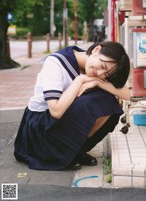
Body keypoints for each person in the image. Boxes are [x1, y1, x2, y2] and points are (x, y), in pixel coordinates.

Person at [14, 41, 131, 170]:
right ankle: (59, 154)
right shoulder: (55, 63)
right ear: (96, 49)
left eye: (106, 74)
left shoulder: (95, 65)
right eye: (102, 66)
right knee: (92, 102)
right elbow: (56, 111)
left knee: (108, 101)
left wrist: (99, 83)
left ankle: (75, 151)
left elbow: (128, 94)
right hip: (39, 128)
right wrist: (80, 80)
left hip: (57, 122)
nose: (100, 74)